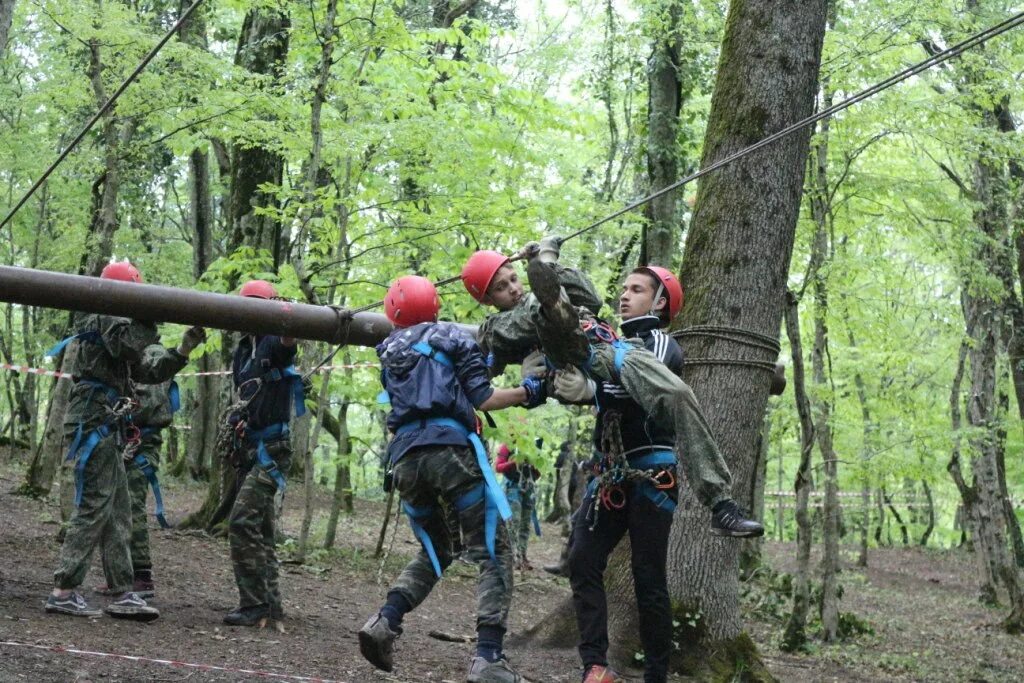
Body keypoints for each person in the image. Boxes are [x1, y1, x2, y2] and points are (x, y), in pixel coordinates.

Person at [461, 241, 761, 536]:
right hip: (567, 355)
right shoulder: (495, 327)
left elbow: (590, 298)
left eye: (514, 279)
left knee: (679, 395)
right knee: (549, 316)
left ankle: (722, 505)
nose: (513, 288)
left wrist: (554, 266)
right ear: (488, 299)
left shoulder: (644, 341)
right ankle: (555, 305)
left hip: (611, 351)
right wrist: (529, 387)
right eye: (501, 288)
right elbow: (483, 382)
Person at [358, 275, 546, 683]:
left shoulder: (388, 351)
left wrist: (484, 367)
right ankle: (488, 658)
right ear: (436, 305)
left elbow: (443, 383)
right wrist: (528, 391)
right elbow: (483, 398)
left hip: (406, 459)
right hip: (450, 453)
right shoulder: (452, 336)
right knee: (493, 550)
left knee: (437, 549)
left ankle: (385, 621)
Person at [45, 260, 204, 621]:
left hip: (106, 421)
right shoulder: (106, 315)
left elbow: (146, 370)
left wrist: (182, 351)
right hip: (93, 419)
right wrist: (150, 316)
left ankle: (123, 590)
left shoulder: (118, 326)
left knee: (118, 509)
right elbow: (127, 346)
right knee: (95, 504)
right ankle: (64, 589)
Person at [223, 279, 305, 629]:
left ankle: (254, 603)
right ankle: (271, 605)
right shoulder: (243, 349)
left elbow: (290, 340)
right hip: (251, 446)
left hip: (273, 448)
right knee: (260, 527)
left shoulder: (273, 340)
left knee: (241, 522)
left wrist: (288, 314)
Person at [94, 378, 179, 599]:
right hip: (120, 440)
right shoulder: (128, 365)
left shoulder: (152, 366)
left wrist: (116, 411)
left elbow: (146, 405)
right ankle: (120, 574)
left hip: (142, 443)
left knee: (132, 505)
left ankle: (142, 576)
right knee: (114, 507)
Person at [495, 443, 541, 570]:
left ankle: (522, 555)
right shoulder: (507, 445)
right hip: (513, 488)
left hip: (529, 489)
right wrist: (514, 462)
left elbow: (538, 473)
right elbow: (498, 467)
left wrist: (533, 465)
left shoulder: (533, 445)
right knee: (513, 523)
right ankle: (512, 556)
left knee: (525, 525)